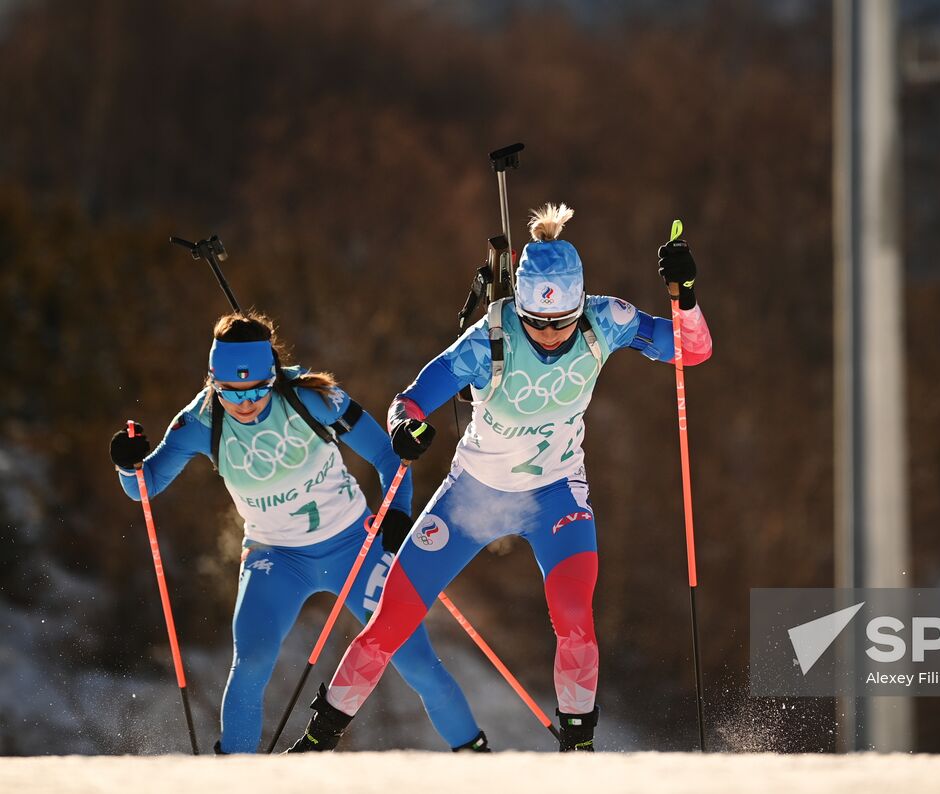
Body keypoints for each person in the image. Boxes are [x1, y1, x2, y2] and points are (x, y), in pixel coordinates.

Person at [286, 203, 713, 752]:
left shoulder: (606, 320)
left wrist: (686, 297)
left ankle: (578, 745)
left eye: (562, 322)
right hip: (472, 499)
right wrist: (404, 430)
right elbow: (410, 401)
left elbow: (692, 351)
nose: (551, 335)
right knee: (391, 620)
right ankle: (317, 740)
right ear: (520, 308)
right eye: (538, 323)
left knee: (575, 616)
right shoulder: (488, 339)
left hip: (555, 495)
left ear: (580, 305)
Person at [110, 312, 487, 753]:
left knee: (416, 660)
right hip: (275, 558)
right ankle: (233, 776)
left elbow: (388, 457)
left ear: (273, 376)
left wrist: (397, 514)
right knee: (251, 661)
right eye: (232, 392)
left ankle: (477, 758)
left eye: (257, 390)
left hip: (354, 546)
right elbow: (145, 486)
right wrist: (127, 462)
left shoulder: (313, 398)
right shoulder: (201, 420)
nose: (246, 404)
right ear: (213, 383)